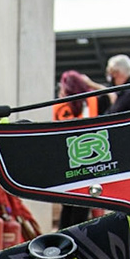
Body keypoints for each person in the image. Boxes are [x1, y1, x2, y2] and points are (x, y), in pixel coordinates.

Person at [52, 70, 102, 229]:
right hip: (89, 158)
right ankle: (78, 239)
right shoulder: (93, 100)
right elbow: (114, 96)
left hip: (67, 160)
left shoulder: (59, 106)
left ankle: (63, 240)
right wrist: (91, 84)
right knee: (83, 204)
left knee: (67, 206)